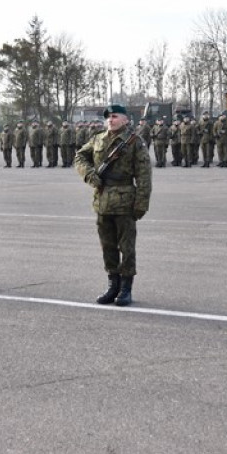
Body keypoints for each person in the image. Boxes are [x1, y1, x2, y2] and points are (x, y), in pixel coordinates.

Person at [74, 104, 152, 307]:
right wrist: (90, 175)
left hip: (125, 201)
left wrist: (141, 204)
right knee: (107, 246)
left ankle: (126, 288)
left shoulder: (134, 142)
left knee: (126, 247)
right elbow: (80, 157)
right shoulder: (98, 138)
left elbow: (144, 176)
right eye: (108, 117)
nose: (110, 119)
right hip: (102, 200)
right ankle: (112, 285)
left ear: (125, 120)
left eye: (115, 116)